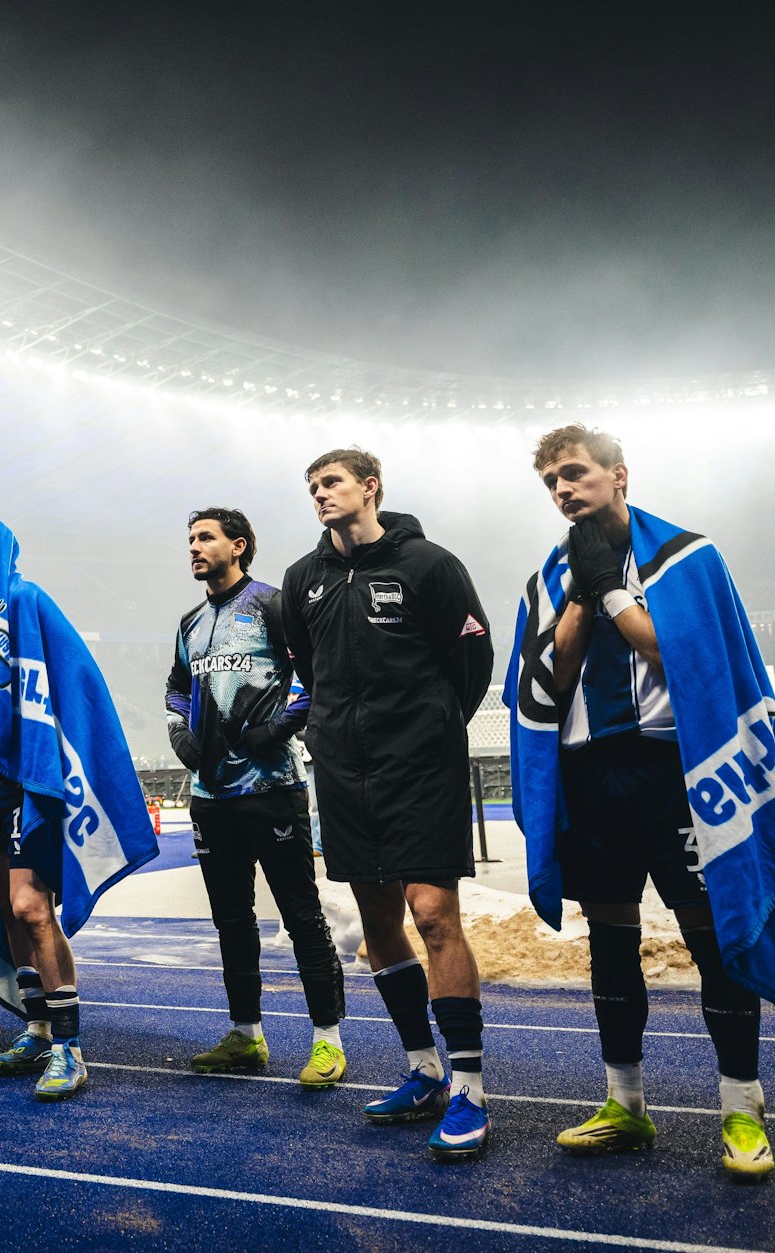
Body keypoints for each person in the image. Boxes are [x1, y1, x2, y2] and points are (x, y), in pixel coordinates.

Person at [506, 424, 775, 1177]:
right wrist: (582, 593)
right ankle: (625, 1104)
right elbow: (548, 681)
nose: (563, 490)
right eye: (551, 482)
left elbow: (683, 656)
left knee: (714, 937)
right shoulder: (547, 577)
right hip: (593, 773)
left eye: (575, 474)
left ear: (619, 475)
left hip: (680, 766)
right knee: (610, 940)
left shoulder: (686, 557)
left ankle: (742, 1109)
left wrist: (610, 587)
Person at [278, 448, 495, 1161]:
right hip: (343, 770)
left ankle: (468, 1086)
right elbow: (311, 669)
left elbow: (472, 661)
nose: (321, 494)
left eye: (332, 481)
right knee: (377, 920)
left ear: (370, 488)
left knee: (433, 913)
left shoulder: (429, 564)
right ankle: (422, 1069)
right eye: (312, 486)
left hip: (421, 766)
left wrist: (429, 726)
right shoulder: (302, 579)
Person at [0, 515, 157, 1101]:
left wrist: (59, 765)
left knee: (32, 908)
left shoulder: (26, 599)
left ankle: (69, 1047)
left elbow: (76, 679)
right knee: (5, 913)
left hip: (25, 784)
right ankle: (36, 1030)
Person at [165, 507, 348, 1086]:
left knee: (300, 916)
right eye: (191, 539)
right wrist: (179, 734)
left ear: (238, 545)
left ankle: (327, 1041)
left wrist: (280, 728)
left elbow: (315, 677)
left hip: (270, 789)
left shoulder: (272, 604)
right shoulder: (191, 622)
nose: (194, 547)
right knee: (231, 921)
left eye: (206, 538)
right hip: (211, 793)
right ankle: (246, 1034)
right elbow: (175, 688)